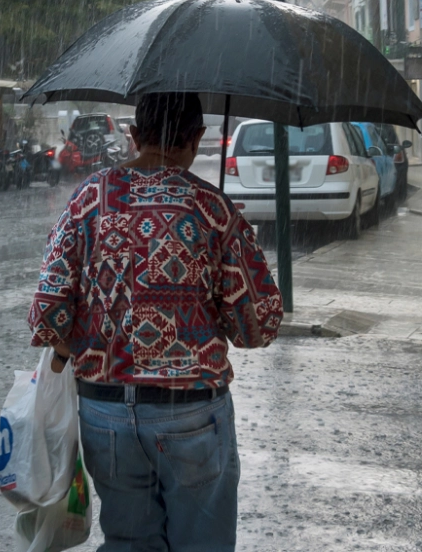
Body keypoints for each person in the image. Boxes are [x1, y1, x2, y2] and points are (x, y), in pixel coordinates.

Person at [28, 92, 283, 551]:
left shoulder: (89, 200)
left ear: (134, 135)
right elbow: (259, 325)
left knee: (128, 542)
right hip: (191, 416)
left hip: (105, 415)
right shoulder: (212, 209)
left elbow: (47, 317)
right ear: (196, 138)